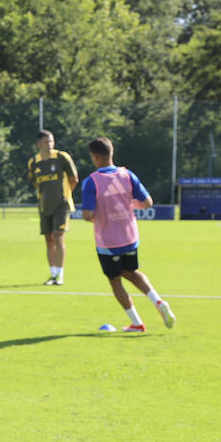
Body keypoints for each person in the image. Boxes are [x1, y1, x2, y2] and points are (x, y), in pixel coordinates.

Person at [80, 136, 175, 332]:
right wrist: (126, 205)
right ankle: (158, 302)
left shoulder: (91, 182)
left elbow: (88, 215)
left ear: (95, 157)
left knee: (115, 280)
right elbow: (148, 202)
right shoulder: (127, 174)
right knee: (132, 272)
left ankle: (137, 323)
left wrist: (102, 213)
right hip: (130, 237)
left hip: (108, 241)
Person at [28, 129, 78, 285]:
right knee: (49, 239)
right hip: (44, 206)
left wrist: (65, 196)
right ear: (39, 144)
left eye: (51, 141)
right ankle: (53, 274)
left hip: (62, 204)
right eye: (46, 141)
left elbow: (73, 179)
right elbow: (35, 183)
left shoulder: (62, 157)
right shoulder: (33, 162)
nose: (49, 144)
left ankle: (60, 275)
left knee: (58, 236)